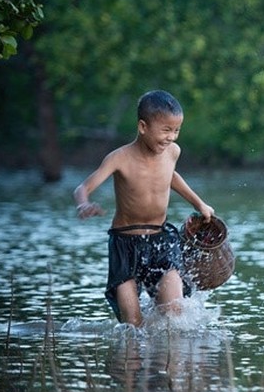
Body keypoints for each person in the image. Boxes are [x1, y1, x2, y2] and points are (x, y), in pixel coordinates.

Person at [73, 90, 214, 327]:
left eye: (176, 130)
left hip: (161, 240)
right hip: (125, 245)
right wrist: (84, 203)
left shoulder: (172, 152)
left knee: (174, 312)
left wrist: (198, 203)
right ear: (142, 127)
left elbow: (170, 176)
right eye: (166, 130)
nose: (172, 137)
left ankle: (169, 360)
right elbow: (82, 188)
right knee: (133, 324)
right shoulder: (119, 158)